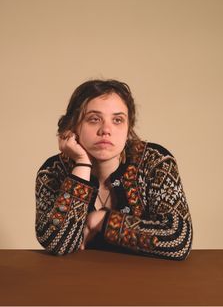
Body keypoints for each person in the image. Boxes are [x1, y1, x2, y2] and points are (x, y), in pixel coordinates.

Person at [35, 79, 193, 260]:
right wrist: (82, 163)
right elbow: (58, 244)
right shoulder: (52, 171)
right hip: (77, 281)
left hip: (146, 280)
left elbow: (179, 240)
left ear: (128, 129)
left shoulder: (155, 161)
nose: (106, 130)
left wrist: (102, 220)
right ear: (73, 126)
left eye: (118, 120)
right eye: (94, 119)